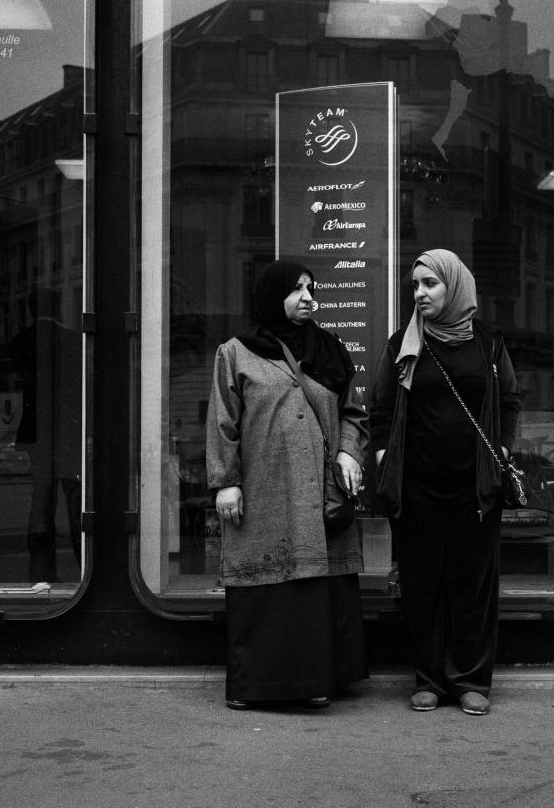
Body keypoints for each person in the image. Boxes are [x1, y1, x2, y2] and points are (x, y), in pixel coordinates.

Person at [206, 259, 369, 710]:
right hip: (264, 494)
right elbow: (222, 422)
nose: (307, 297)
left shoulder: (329, 349)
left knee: (315, 589)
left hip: (320, 494)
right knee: (267, 592)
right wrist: (226, 482)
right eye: (296, 289)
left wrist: (348, 452)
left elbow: (355, 413)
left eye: (310, 288)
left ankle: (318, 681)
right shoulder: (235, 353)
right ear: (271, 294)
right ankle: (257, 687)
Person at [371, 249, 520, 715]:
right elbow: (380, 409)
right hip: (418, 487)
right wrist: (385, 457)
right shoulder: (402, 345)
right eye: (415, 285)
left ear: (454, 286)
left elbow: (510, 400)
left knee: (472, 585)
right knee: (421, 586)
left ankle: (471, 679)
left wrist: (502, 451)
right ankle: (430, 679)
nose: (420, 293)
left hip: (475, 487)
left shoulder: (489, 343)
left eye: (430, 284)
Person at [11, 287, 82, 583]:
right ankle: (85, 566)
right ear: (58, 307)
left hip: (36, 430)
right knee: (76, 498)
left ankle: (41, 573)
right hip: (69, 429)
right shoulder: (73, 339)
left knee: (41, 499)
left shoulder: (20, 341)